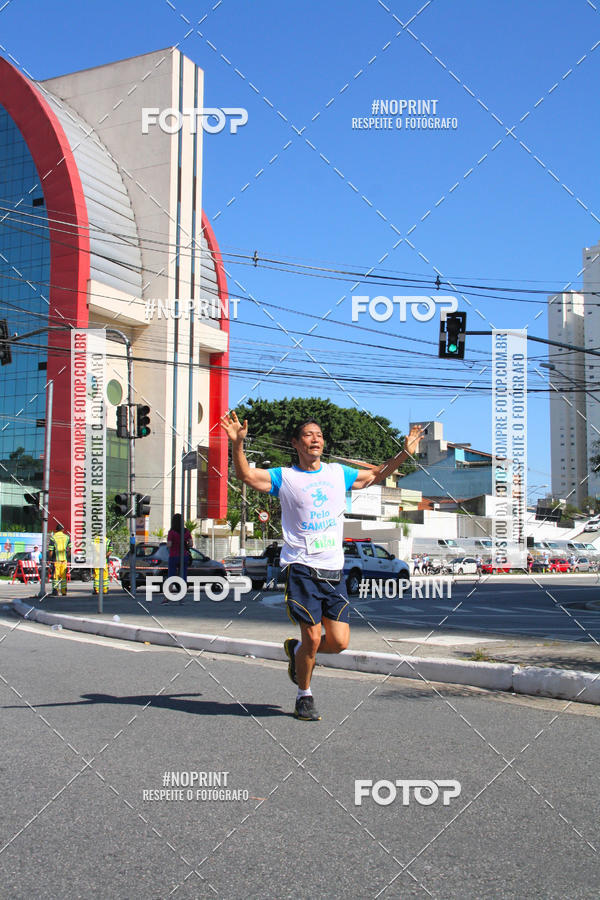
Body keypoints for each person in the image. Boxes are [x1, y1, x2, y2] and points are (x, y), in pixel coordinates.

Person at [220, 412, 424, 722]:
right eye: (308, 434)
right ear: (295, 443)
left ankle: (297, 652)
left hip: (334, 570)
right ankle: (304, 695)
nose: (315, 439)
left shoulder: (337, 473)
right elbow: (247, 475)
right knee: (314, 638)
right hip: (301, 567)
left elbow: (374, 475)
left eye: (319, 434)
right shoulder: (284, 477)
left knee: (339, 643)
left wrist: (404, 454)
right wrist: (237, 444)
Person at [166, 514, 192, 603]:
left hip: (174, 556)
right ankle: (182, 598)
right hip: (184, 556)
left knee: (171, 576)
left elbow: (169, 544)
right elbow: (191, 544)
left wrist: (170, 545)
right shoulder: (186, 531)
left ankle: (168, 598)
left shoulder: (171, 532)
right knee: (183, 576)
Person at [49, 523, 70, 596]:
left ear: (56, 530)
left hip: (56, 560)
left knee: (56, 576)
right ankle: (64, 591)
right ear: (63, 530)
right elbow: (71, 548)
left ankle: (55, 590)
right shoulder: (67, 537)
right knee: (63, 576)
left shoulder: (53, 537)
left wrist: (50, 559)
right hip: (64, 560)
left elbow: (51, 550)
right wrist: (67, 556)